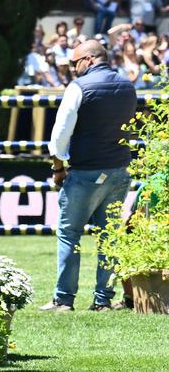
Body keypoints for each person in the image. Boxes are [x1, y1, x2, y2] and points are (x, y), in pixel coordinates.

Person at [41, 39, 136, 312]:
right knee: (109, 237)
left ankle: (63, 299)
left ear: (89, 59)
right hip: (118, 170)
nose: (73, 68)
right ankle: (103, 300)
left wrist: (58, 168)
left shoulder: (79, 87)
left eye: (75, 62)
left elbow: (60, 134)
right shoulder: (128, 86)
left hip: (85, 172)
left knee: (69, 234)